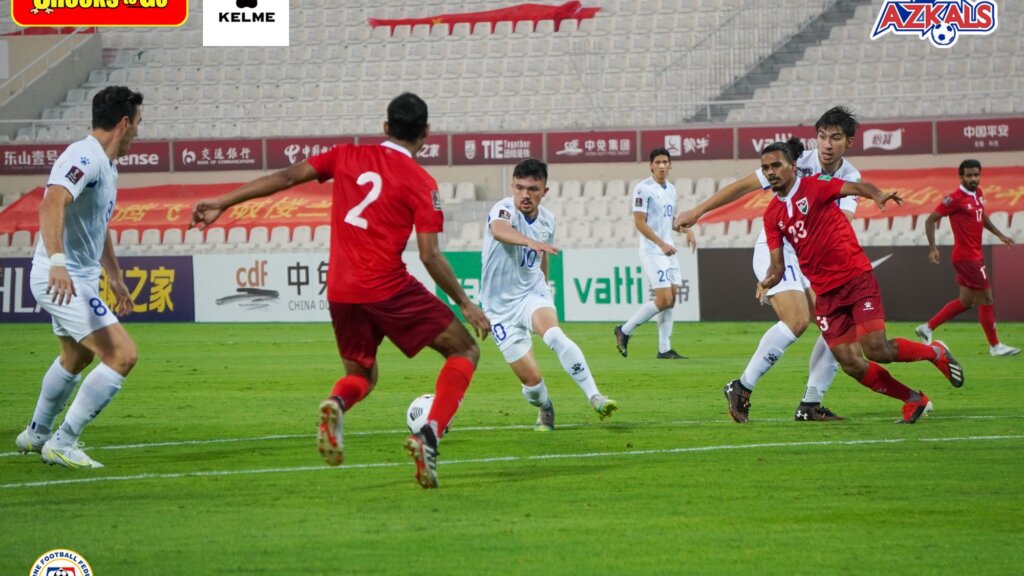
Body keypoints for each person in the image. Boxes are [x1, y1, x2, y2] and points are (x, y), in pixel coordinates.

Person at [191, 93, 490, 489]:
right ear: (426, 134)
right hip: (387, 286)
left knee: (361, 374)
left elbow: (284, 178)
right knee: (464, 349)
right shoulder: (422, 182)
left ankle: (336, 403)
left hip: (342, 289)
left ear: (385, 127)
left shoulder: (345, 155)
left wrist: (222, 202)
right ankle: (429, 434)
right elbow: (430, 255)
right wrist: (466, 304)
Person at [751, 138, 965, 425]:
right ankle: (914, 399)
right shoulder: (771, 215)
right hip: (825, 295)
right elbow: (777, 265)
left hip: (855, 279)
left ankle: (935, 352)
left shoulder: (815, 184)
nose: (770, 172)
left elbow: (856, 187)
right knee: (851, 363)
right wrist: (768, 281)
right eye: (765, 168)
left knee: (876, 349)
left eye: (776, 165)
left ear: (792, 166)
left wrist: (876, 195)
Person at [674, 106, 860, 422]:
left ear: (849, 142)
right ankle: (742, 386)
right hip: (778, 247)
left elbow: (845, 220)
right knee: (798, 320)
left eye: (836, 138)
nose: (827, 145)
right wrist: (698, 211)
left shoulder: (850, 176)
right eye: (822, 136)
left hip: (811, 255)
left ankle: (810, 404)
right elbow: (744, 186)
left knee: (837, 324)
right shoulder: (795, 161)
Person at [14, 86, 144, 469]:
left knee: (76, 356)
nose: (139, 132)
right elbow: (52, 201)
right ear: (124, 123)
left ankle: (37, 433)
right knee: (122, 355)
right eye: (138, 124)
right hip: (62, 277)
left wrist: (115, 276)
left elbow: (96, 225)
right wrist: (57, 260)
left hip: (77, 276)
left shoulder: (106, 164)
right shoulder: (83, 156)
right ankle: (63, 441)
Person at [481, 159, 618, 430]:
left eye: (533, 189)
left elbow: (543, 254)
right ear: (512, 186)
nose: (525, 195)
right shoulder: (504, 209)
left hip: (531, 294)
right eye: (519, 187)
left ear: (545, 191)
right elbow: (499, 231)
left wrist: (542, 285)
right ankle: (545, 408)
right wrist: (529, 241)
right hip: (498, 310)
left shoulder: (547, 220)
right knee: (532, 385)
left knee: (554, 335)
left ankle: (595, 397)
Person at [916, 160, 1019, 356]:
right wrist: (933, 248)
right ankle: (995, 346)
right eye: (969, 175)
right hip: (966, 258)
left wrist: (1000, 235)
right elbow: (930, 220)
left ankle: (927, 327)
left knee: (966, 301)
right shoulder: (954, 199)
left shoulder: (978, 194)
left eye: (976, 175)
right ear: (961, 177)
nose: (973, 179)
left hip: (974, 256)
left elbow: (982, 217)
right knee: (986, 298)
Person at [613, 148, 696, 360]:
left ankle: (664, 348)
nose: (661, 166)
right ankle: (624, 330)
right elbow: (639, 223)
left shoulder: (671, 190)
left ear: (670, 166)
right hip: (653, 251)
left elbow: (669, 221)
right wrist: (661, 245)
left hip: (668, 250)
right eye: (657, 162)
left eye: (665, 162)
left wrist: (687, 230)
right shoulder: (643, 189)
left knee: (672, 298)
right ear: (651, 165)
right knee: (663, 298)